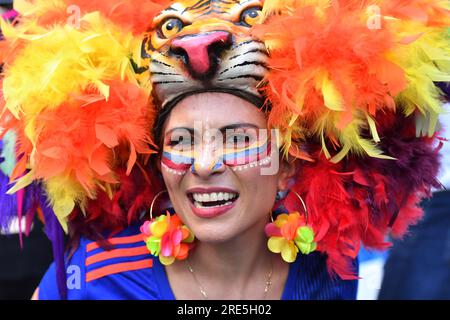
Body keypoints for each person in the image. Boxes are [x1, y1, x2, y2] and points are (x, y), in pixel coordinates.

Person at [0, 0, 448, 300]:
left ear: (287, 166)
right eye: (181, 141)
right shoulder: (95, 278)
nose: (205, 163)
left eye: (237, 138)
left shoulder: (329, 269)